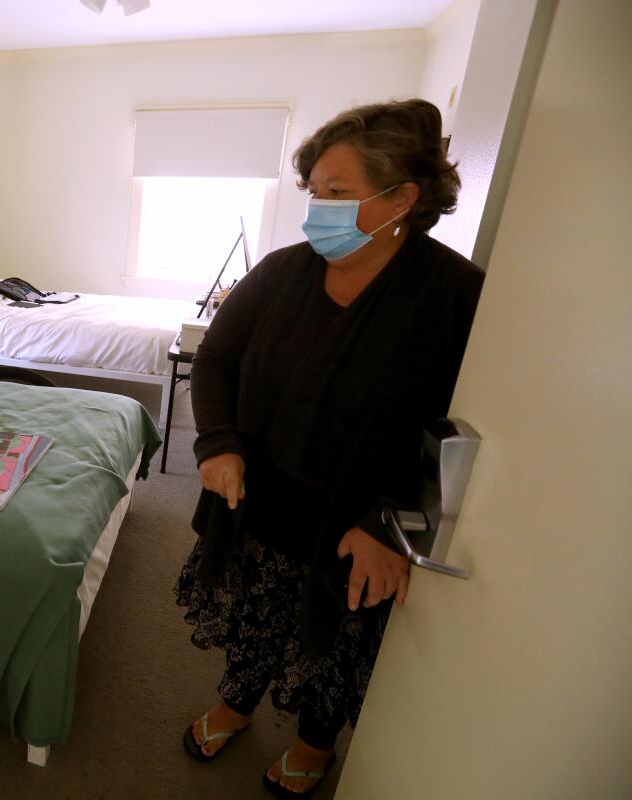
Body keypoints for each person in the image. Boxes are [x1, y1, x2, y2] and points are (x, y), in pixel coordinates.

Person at [175, 99, 483, 798]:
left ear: (402, 196)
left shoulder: (455, 296)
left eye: (338, 192)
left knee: (338, 639)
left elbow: (452, 433)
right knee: (256, 612)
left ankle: (315, 745)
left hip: (359, 515)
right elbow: (217, 358)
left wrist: (385, 522)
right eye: (314, 189)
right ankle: (235, 702)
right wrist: (217, 443)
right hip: (261, 494)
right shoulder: (283, 271)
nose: (318, 207)